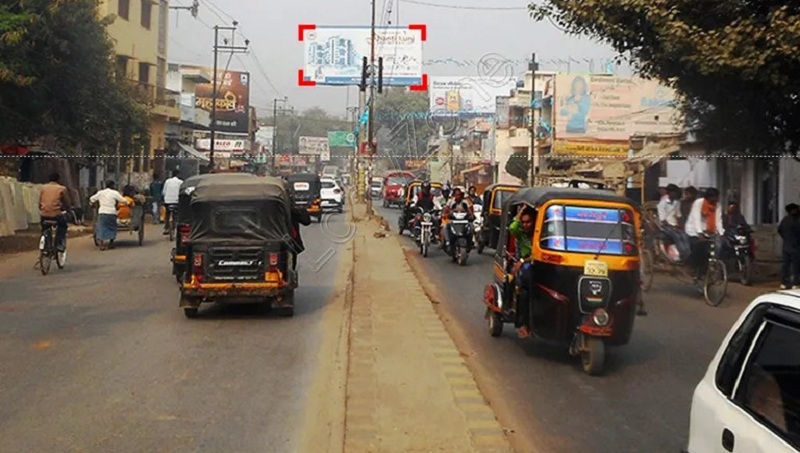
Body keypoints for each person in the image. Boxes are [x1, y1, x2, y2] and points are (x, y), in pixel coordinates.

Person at [685, 187, 724, 279]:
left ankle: (713, 266)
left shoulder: (717, 205)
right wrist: (699, 232)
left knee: (718, 246)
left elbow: (718, 220)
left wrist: (721, 233)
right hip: (694, 230)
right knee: (699, 248)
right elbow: (696, 218)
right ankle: (693, 267)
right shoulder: (698, 203)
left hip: (709, 230)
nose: (716, 199)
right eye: (714, 197)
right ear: (708, 197)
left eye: (717, 197)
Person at [509, 206, 535, 338]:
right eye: (523, 222)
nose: (525, 225)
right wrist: (520, 212)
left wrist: (524, 260)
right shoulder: (521, 233)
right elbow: (512, 228)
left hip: (538, 264)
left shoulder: (540, 233)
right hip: (526, 267)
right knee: (524, 292)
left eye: (528, 222)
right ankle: (523, 324)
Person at [90, 180, 129, 250]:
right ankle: (111, 243)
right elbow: (123, 200)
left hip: (102, 212)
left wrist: (92, 203)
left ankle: (101, 244)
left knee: (101, 227)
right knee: (112, 227)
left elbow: (92, 199)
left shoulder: (100, 193)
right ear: (112, 186)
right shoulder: (114, 193)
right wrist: (127, 202)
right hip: (111, 212)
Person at [39, 173, 72, 252]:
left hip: (44, 214)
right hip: (56, 214)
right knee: (63, 226)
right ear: (58, 180)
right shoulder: (62, 188)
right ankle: (59, 243)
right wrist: (69, 210)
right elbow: (67, 202)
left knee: (45, 228)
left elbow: (40, 202)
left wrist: (42, 209)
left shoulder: (43, 188)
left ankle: (46, 245)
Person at [657, 184, 690, 261]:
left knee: (684, 235)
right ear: (669, 193)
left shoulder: (676, 202)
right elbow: (663, 220)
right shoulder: (662, 204)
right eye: (673, 192)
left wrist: (681, 226)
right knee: (676, 236)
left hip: (674, 225)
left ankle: (687, 253)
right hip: (665, 226)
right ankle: (682, 254)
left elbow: (678, 215)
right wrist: (672, 227)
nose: (675, 194)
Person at [777, 203, 800, 289]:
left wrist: (786, 238)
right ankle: (795, 283)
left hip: (786, 246)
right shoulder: (796, 221)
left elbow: (779, 230)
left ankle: (784, 282)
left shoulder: (785, 220)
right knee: (795, 266)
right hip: (796, 246)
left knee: (785, 265)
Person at [289, 197, 311, 272]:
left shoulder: (291, 211)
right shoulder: (291, 210)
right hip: (289, 243)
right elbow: (306, 221)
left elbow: (306, 221)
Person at [161, 170, 183, 234]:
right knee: (177, 214)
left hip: (167, 201)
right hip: (176, 201)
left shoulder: (167, 181)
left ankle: (166, 228)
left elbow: (163, 192)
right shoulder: (180, 182)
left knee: (167, 213)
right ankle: (176, 225)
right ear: (178, 175)